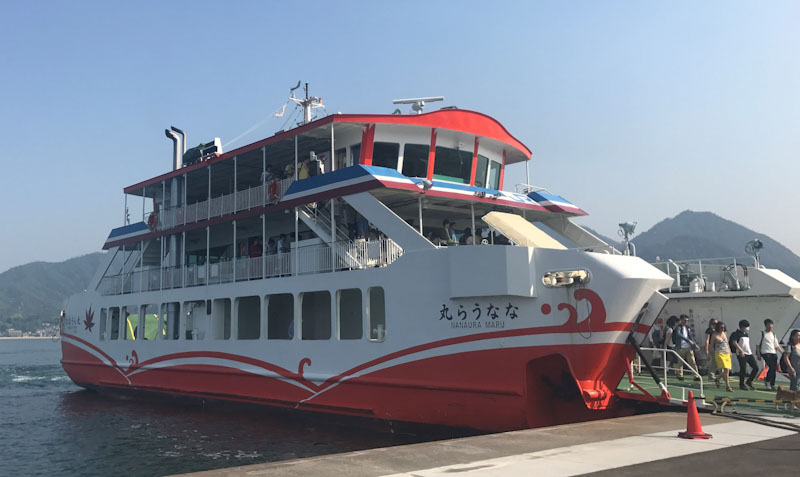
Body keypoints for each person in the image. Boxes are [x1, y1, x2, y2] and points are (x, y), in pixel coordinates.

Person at [729, 319, 758, 390]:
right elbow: (734, 342)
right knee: (743, 369)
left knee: (755, 367)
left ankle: (749, 381)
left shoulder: (746, 334)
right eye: (746, 326)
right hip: (741, 353)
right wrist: (740, 350)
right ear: (742, 327)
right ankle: (741, 384)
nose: (747, 328)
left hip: (749, 353)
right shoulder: (736, 333)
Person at [672, 314, 700, 381]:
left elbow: (691, 336)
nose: (686, 322)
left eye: (687, 320)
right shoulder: (678, 327)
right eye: (684, 320)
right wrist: (688, 340)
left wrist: (694, 344)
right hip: (680, 347)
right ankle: (680, 375)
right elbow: (678, 335)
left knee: (692, 361)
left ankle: (695, 375)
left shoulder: (687, 328)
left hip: (688, 347)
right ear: (681, 320)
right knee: (680, 363)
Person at [758, 318, 783, 390]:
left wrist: (782, 353)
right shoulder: (762, 333)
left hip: (773, 352)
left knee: (774, 368)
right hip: (765, 352)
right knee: (771, 367)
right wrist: (759, 354)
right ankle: (767, 381)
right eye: (768, 324)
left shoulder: (773, 334)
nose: (770, 326)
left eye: (771, 324)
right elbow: (758, 345)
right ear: (765, 325)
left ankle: (772, 384)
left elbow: (777, 345)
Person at [712, 321, 733, 392]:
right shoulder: (714, 335)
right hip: (719, 353)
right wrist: (709, 353)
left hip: (726, 352)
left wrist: (730, 351)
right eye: (721, 327)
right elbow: (711, 345)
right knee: (725, 369)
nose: (722, 329)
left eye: (724, 327)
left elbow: (727, 343)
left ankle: (717, 378)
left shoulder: (724, 333)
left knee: (727, 370)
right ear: (717, 327)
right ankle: (728, 386)